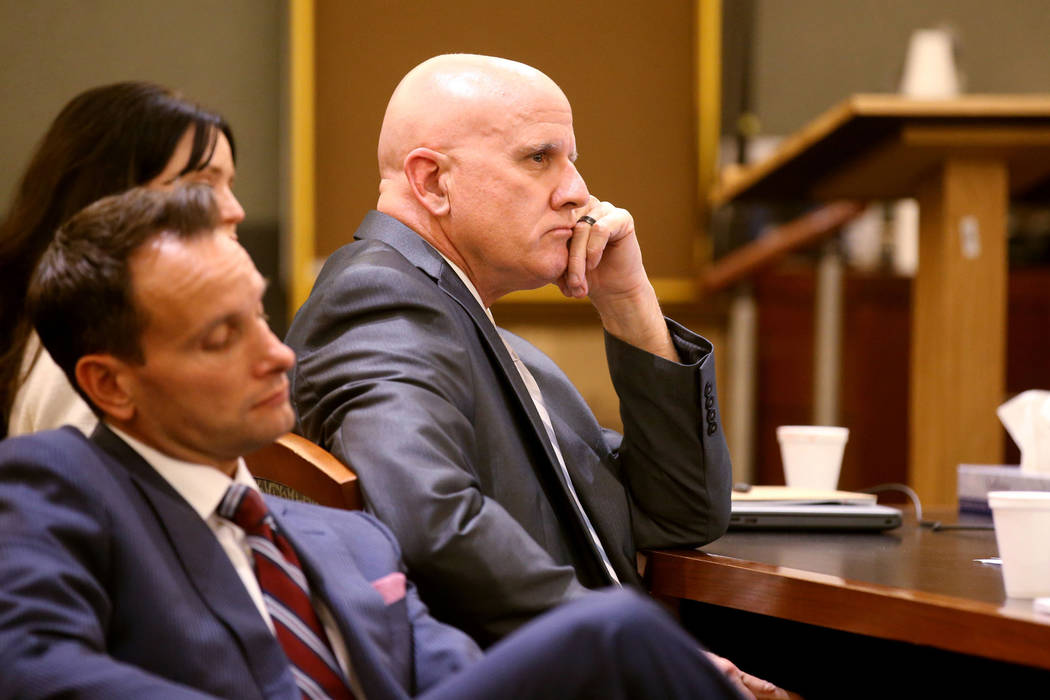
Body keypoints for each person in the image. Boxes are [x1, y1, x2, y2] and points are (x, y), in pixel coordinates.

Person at [0, 184, 747, 700]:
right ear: (111, 385)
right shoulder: (51, 483)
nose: (277, 355)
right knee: (612, 631)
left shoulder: (345, 538)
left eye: (260, 318)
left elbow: (449, 674)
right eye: (221, 337)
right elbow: (31, 668)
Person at [286, 54, 733, 642]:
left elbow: (682, 512)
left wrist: (628, 300)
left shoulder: (469, 324)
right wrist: (629, 644)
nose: (577, 192)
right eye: (539, 158)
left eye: (571, 160)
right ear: (432, 182)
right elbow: (433, 523)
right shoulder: (380, 301)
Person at [0, 81, 244, 439]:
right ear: (110, 198)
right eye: (202, 188)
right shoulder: (91, 350)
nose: (235, 211)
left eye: (230, 186)